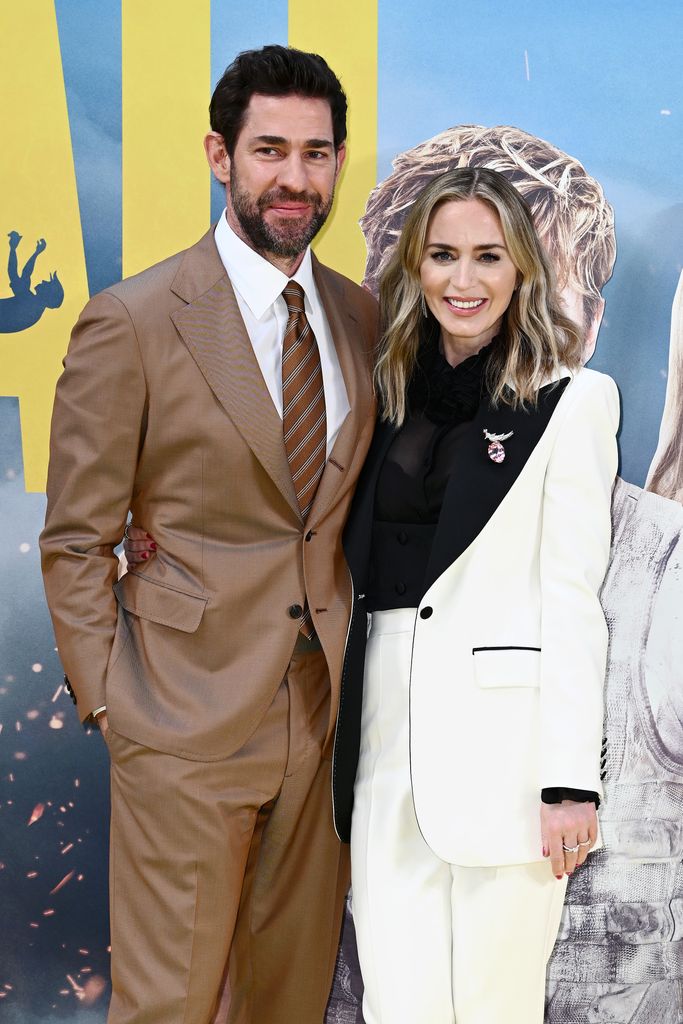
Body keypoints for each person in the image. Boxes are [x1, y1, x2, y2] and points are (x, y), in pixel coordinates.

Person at [127, 165, 620, 1023]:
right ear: (414, 269)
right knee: (398, 1000)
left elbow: (573, 599)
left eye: (487, 258)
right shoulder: (374, 394)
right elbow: (291, 517)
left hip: (506, 760)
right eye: (441, 256)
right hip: (377, 741)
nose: (462, 281)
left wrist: (568, 784)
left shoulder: (573, 403)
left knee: (498, 1006)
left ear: (519, 274)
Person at [40, 45, 377, 1024]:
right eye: (269, 149)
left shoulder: (358, 317)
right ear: (217, 155)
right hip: (179, 725)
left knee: (287, 1005)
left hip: (320, 734)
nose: (294, 177)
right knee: (167, 1009)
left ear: (338, 164)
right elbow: (74, 540)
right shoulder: (133, 322)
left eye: (316, 153)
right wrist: (115, 704)